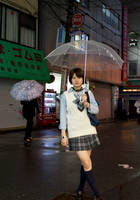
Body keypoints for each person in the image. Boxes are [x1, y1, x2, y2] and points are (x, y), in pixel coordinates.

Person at [59, 68, 102, 200]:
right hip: (75, 132)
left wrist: (87, 103)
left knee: (85, 163)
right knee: (87, 163)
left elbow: (96, 109)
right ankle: (97, 194)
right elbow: (63, 116)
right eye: (73, 78)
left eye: (79, 77)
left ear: (82, 79)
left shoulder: (88, 92)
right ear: (70, 80)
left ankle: (80, 189)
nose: (76, 80)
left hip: (89, 130)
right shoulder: (65, 95)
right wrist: (63, 134)